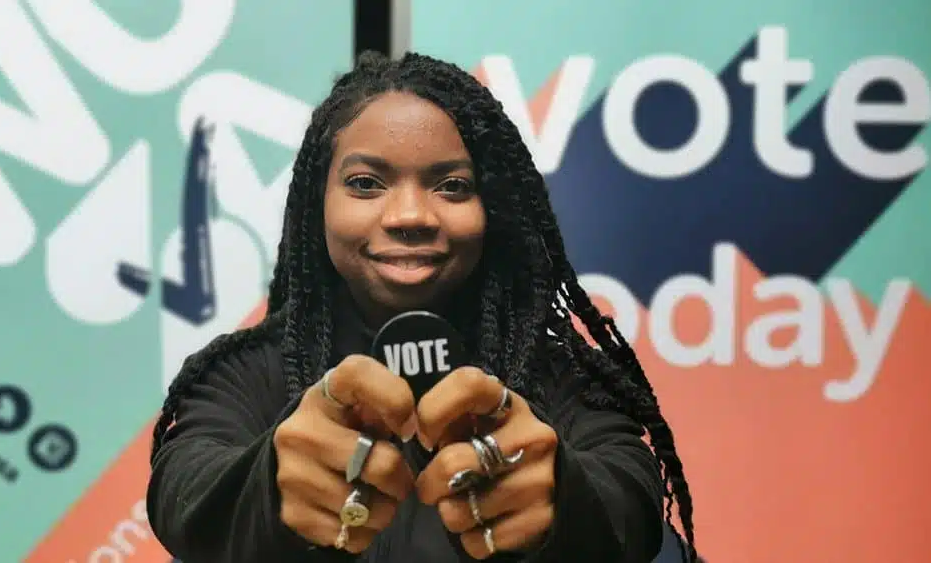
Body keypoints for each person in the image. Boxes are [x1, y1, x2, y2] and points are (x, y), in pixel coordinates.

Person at [146, 51, 697, 562]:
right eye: (366, 183)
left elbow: (631, 497)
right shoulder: (244, 375)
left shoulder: (562, 380)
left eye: (453, 187)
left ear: (495, 210)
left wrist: (560, 496)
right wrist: (270, 483)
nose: (410, 214)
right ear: (318, 206)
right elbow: (183, 491)